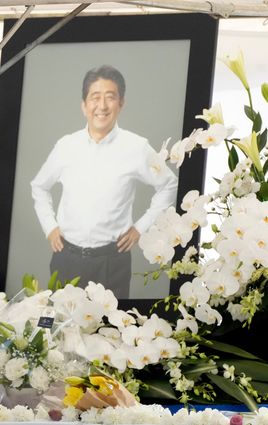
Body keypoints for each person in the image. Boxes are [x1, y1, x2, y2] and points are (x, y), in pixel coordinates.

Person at [30, 65, 177, 299]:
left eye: (110, 97)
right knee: (60, 328)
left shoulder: (136, 147)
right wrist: (50, 227)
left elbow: (168, 184)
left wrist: (141, 228)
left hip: (112, 262)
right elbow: (39, 186)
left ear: (121, 103)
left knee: (110, 331)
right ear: (84, 105)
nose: (102, 106)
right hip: (66, 258)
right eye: (95, 98)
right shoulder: (66, 145)